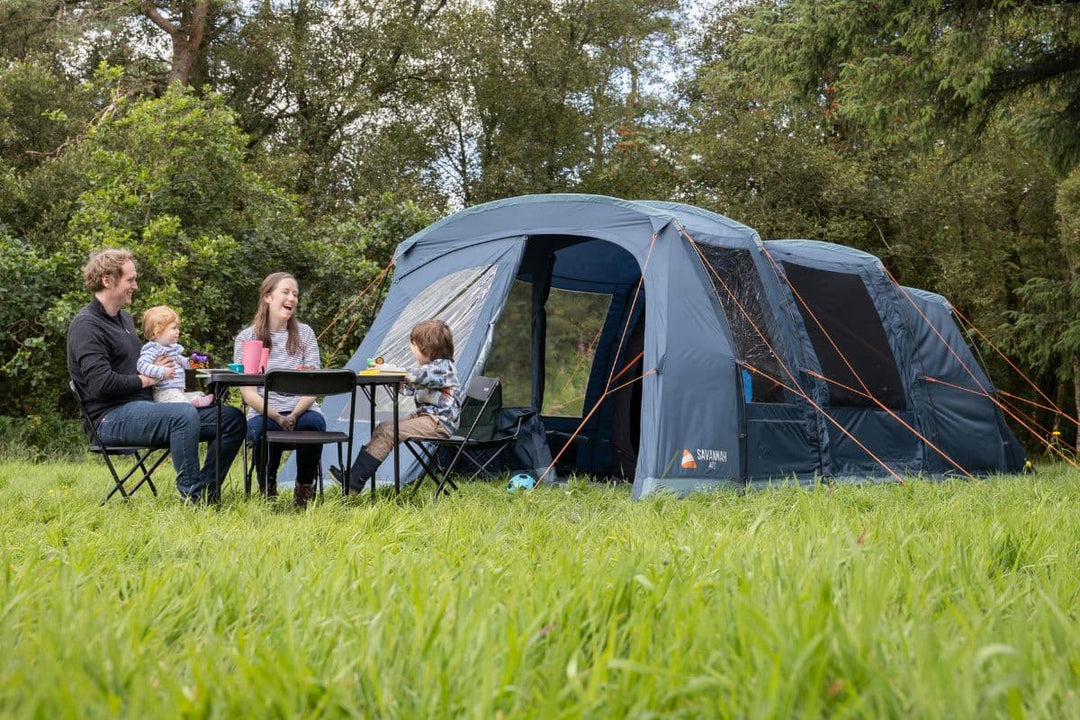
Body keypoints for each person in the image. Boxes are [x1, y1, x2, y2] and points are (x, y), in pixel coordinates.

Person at [66, 248, 245, 503]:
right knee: (182, 415)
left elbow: (145, 363)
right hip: (109, 419)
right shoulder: (87, 325)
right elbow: (100, 384)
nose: (135, 286)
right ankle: (192, 498)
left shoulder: (124, 320)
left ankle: (207, 492)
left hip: (146, 408)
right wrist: (147, 380)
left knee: (230, 419)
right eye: (130, 280)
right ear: (108, 280)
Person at [330, 319, 461, 493]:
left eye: (414, 345)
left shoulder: (443, 368)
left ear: (427, 347)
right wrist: (401, 385)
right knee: (384, 427)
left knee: (390, 432)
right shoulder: (434, 370)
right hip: (427, 417)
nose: (411, 349)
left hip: (438, 423)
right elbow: (419, 390)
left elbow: (419, 375)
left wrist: (391, 370)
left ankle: (355, 480)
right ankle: (355, 477)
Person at [233, 272, 323, 508]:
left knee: (314, 425)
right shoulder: (247, 337)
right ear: (268, 297)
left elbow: (314, 385)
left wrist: (293, 414)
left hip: (301, 409)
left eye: (295, 294)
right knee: (261, 430)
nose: (292, 298)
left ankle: (303, 490)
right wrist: (276, 416)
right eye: (285, 292)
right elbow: (248, 392)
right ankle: (267, 488)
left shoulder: (305, 333)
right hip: (264, 411)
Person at [137, 305, 214, 408]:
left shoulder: (173, 349)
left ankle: (194, 401)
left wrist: (194, 362)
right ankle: (191, 405)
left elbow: (183, 362)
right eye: (174, 328)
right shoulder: (152, 349)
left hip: (178, 390)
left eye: (177, 328)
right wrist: (162, 371)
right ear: (157, 332)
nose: (178, 331)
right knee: (182, 403)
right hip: (164, 392)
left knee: (198, 394)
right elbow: (141, 365)